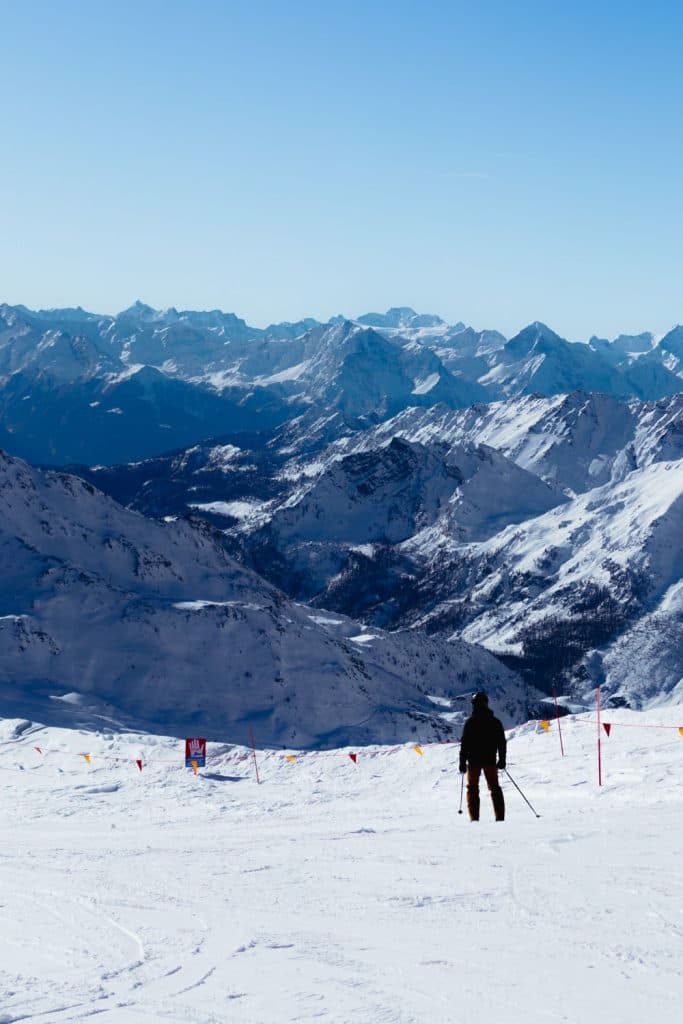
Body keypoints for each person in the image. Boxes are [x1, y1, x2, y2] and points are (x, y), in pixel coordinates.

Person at [459, 691, 506, 821]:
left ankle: (474, 819)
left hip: (473, 762)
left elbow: (464, 744)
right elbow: (501, 743)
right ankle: (500, 818)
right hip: (490, 761)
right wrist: (502, 759)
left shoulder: (470, 723)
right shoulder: (495, 722)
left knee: (472, 789)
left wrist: (462, 762)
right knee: (495, 788)